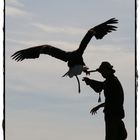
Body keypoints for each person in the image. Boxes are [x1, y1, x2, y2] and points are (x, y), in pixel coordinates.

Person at [83, 61, 127, 140]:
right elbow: (101, 86)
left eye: (103, 72)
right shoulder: (111, 80)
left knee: (111, 137)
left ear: (108, 71)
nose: (102, 74)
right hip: (114, 115)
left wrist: (98, 106)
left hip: (113, 115)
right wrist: (89, 81)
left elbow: (110, 100)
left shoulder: (112, 82)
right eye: (101, 72)